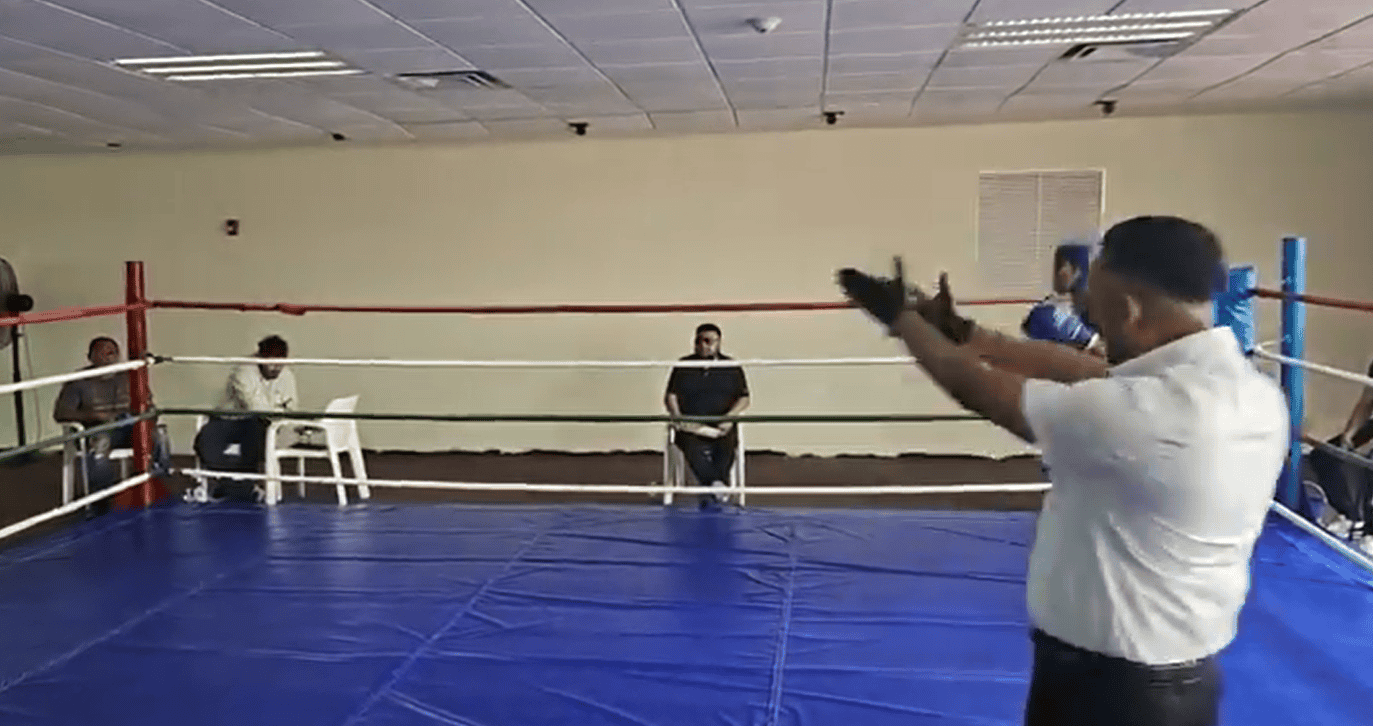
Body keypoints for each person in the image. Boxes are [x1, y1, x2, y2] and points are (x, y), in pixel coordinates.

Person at [837, 215, 1289, 726]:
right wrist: (965, 332)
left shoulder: (1146, 415)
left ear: (1130, 309)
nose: (1093, 324)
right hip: (1180, 683)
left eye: (1099, 311)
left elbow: (977, 389)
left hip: (1111, 695)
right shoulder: (1251, 395)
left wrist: (902, 320)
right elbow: (1085, 370)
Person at [53, 336, 171, 516]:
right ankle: (101, 500)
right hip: (98, 430)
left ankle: (156, 484)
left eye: (113, 352)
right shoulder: (78, 381)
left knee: (160, 434)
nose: (109, 356)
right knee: (100, 443)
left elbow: (149, 406)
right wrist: (94, 415)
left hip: (129, 427)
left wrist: (147, 417)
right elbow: (61, 414)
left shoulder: (129, 376)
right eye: (103, 352)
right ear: (90, 357)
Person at [193, 335, 296, 502]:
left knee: (257, 439)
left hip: (257, 424)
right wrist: (278, 410)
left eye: (280, 364)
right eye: (271, 363)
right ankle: (232, 484)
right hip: (227, 420)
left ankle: (239, 486)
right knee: (205, 442)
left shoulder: (287, 375)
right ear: (260, 357)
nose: (275, 369)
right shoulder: (243, 372)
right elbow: (256, 407)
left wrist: (278, 414)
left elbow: (291, 409)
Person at [664, 323, 750, 510]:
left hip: (721, 422)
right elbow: (671, 396)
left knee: (727, 446)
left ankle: (714, 484)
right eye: (699, 341)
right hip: (691, 424)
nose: (704, 345)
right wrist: (679, 418)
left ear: (719, 343)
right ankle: (715, 484)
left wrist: (730, 417)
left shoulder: (731, 366)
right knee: (691, 447)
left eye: (709, 341)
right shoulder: (683, 365)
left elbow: (744, 398)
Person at [1021, 242, 1103, 354]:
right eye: (1057, 267)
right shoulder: (1042, 313)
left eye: (1063, 267)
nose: (1059, 273)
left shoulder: (1093, 315)